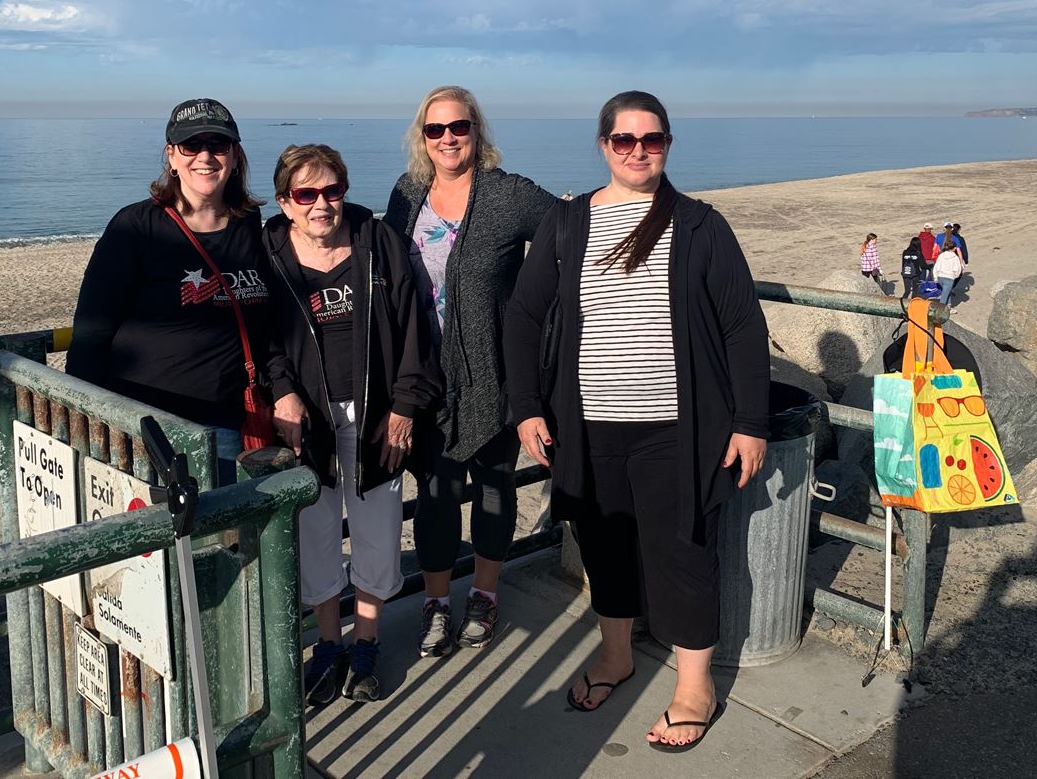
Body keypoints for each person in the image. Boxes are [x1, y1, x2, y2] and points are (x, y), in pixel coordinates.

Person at [504, 90, 770, 752]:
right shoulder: (568, 224)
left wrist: (751, 422)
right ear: (603, 146)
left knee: (683, 551)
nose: (637, 151)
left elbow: (742, 326)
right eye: (624, 140)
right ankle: (617, 657)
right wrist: (528, 408)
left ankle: (695, 687)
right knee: (605, 547)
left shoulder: (700, 225)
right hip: (587, 427)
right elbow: (524, 318)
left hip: (677, 428)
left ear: (667, 146)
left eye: (650, 140)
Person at [263, 144, 442, 705]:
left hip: (376, 417)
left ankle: (366, 643)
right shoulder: (267, 254)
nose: (322, 204)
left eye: (332, 190)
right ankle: (329, 643)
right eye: (306, 194)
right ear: (286, 202)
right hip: (305, 422)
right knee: (315, 534)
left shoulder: (378, 241)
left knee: (378, 531)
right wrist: (282, 391)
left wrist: (406, 407)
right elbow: (262, 339)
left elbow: (415, 326)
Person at [384, 85, 557, 658]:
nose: (448, 138)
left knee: (494, 488)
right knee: (434, 494)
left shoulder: (509, 196)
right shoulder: (408, 195)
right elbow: (386, 273)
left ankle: (483, 592)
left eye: (459, 127)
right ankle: (436, 601)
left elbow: (570, 234)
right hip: (425, 378)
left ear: (476, 131)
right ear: (423, 138)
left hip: (496, 376)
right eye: (436, 130)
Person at [68, 98, 270, 483]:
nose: (205, 157)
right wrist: (92, 419)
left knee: (223, 539)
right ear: (172, 157)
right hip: (150, 427)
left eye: (219, 145)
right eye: (192, 146)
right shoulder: (135, 227)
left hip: (229, 421)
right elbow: (92, 332)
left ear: (236, 156)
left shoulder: (249, 225)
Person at [933, 239, 964, 304]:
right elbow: (958, 269)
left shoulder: (941, 255)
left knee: (947, 292)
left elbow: (936, 267)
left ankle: (948, 308)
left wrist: (935, 277)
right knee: (944, 297)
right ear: (954, 248)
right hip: (949, 278)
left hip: (940, 277)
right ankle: (940, 311)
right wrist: (955, 276)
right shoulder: (955, 257)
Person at [900, 236, 925, 301]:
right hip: (915, 274)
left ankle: (902, 305)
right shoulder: (918, 253)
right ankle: (912, 305)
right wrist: (931, 266)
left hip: (905, 273)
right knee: (915, 291)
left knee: (907, 291)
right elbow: (923, 265)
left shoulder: (905, 252)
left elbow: (903, 263)